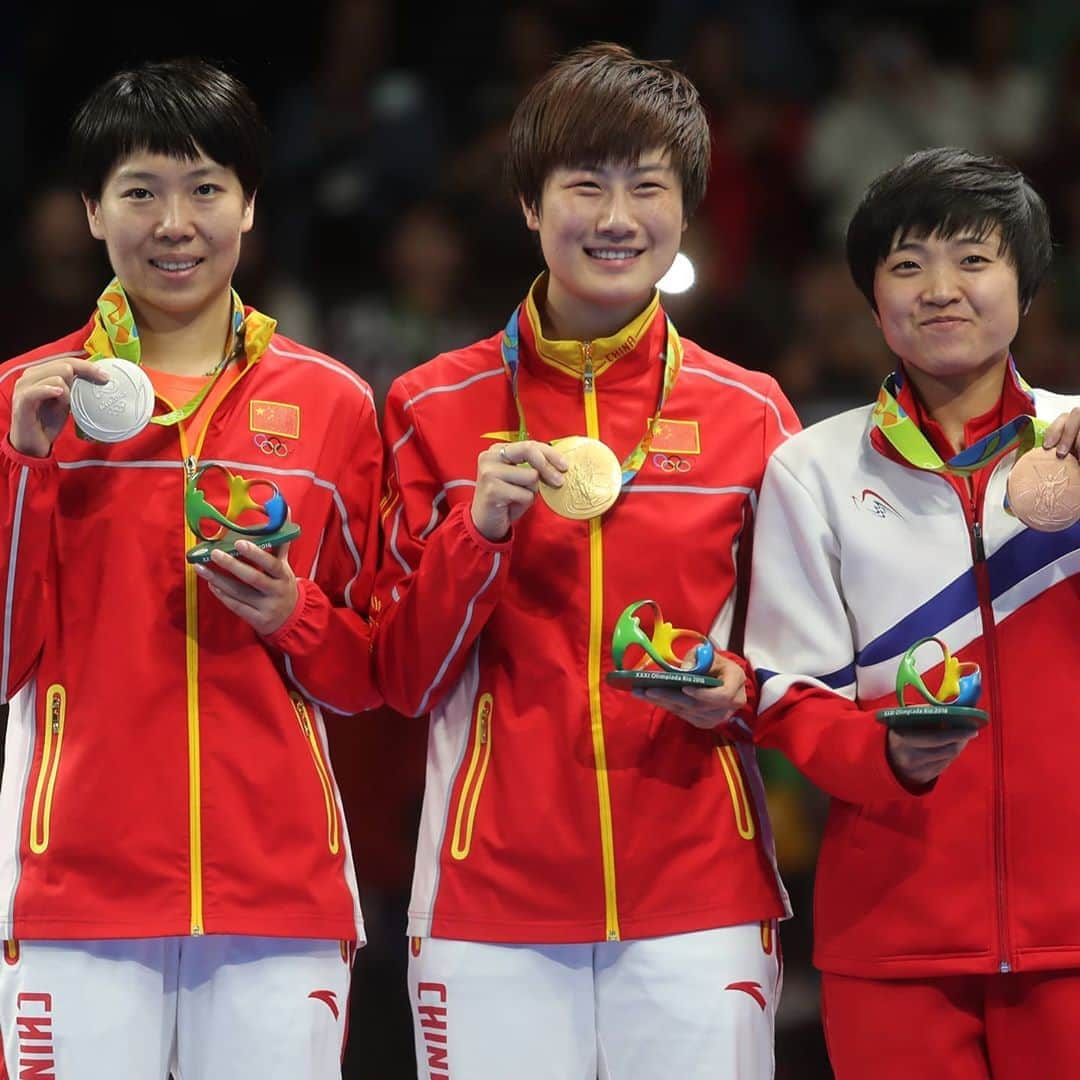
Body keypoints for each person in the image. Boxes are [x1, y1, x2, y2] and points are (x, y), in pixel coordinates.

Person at [373, 42, 798, 1079]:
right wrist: (475, 536)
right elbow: (400, 675)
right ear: (530, 204)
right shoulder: (430, 408)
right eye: (585, 185)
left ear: (685, 211)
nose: (616, 217)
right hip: (489, 900)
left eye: (646, 186)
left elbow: (804, 671)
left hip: (701, 895)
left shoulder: (752, 415)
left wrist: (738, 692)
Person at [0, 58, 382, 1077]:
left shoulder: (336, 406)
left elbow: (367, 671)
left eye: (206, 188)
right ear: (90, 211)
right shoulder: (20, 405)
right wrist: (25, 471)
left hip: (281, 893)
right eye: (139, 192)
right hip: (75, 887)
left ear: (250, 204)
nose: (176, 222)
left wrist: (296, 613)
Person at [744, 146, 1080, 1078]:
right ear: (872, 296)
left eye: (974, 260)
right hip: (891, 941)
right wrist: (883, 756)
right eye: (907, 265)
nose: (942, 289)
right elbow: (781, 689)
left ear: (1025, 281)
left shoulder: (1078, 439)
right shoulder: (811, 469)